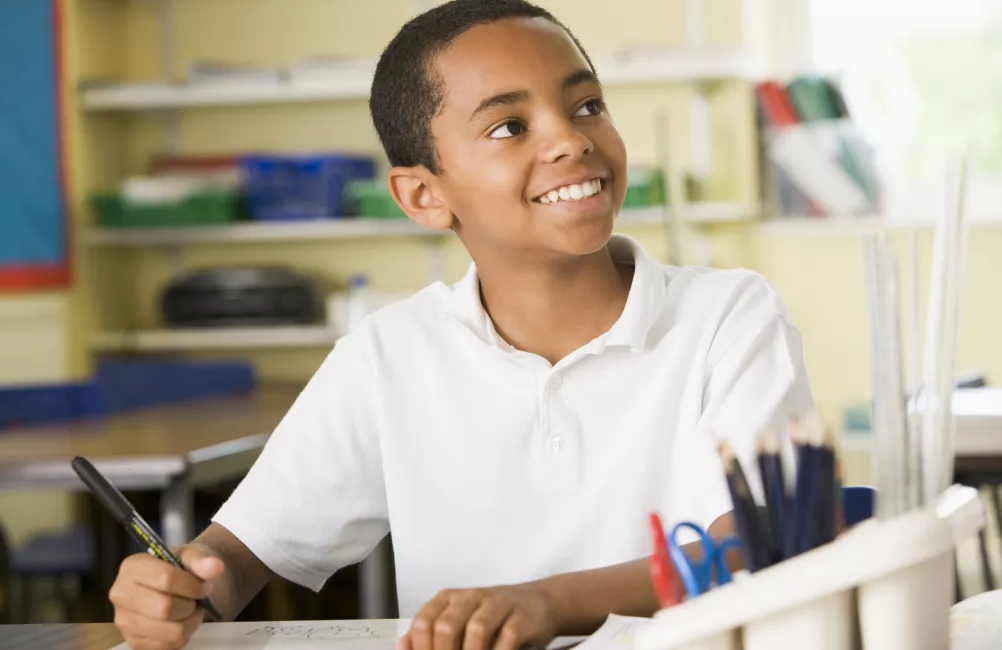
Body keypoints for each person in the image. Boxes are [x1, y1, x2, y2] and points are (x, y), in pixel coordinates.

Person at [107, 1, 813, 649]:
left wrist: (548, 603)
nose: (571, 139)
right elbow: (238, 555)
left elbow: (760, 540)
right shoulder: (389, 355)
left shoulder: (728, 317)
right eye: (510, 126)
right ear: (423, 194)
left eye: (588, 104)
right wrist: (180, 591)